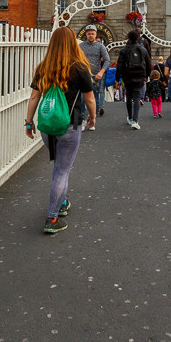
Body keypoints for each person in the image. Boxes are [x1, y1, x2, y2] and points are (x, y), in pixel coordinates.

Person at [24, 26, 95, 235]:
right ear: (73, 43)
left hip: (47, 125)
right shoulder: (80, 67)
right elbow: (90, 98)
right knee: (63, 170)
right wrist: (92, 117)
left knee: (59, 167)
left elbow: (34, 97)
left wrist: (29, 122)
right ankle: (52, 217)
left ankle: (62, 201)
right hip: (70, 125)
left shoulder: (43, 66)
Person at [78, 27, 110, 130]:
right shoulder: (80, 46)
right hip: (83, 75)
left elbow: (107, 60)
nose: (90, 35)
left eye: (92, 33)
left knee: (94, 99)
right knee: (82, 98)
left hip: (95, 76)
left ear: (96, 34)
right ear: (86, 35)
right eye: (88, 34)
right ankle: (83, 119)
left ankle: (92, 119)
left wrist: (101, 72)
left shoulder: (100, 47)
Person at [118, 30, 151, 129]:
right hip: (139, 75)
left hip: (127, 76)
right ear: (138, 38)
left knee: (128, 96)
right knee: (137, 97)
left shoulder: (124, 50)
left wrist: (117, 78)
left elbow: (119, 65)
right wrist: (147, 75)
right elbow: (149, 64)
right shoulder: (143, 50)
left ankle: (130, 117)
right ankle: (135, 121)